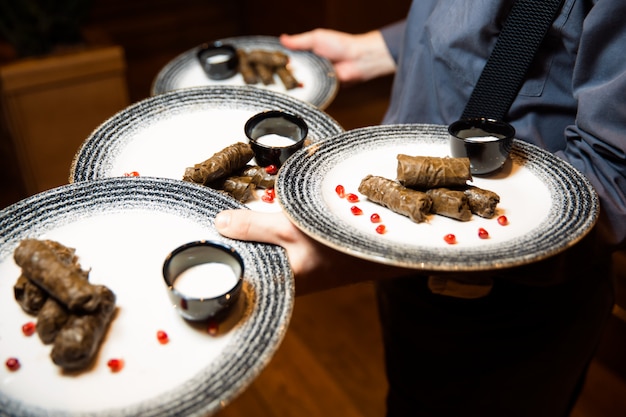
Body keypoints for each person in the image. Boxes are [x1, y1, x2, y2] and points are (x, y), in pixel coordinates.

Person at [215, 1, 626, 416]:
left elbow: (613, 176)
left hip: (516, 306)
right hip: (409, 259)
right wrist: (385, 47)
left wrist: (360, 255)